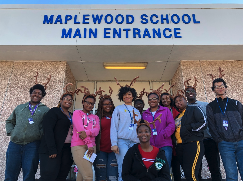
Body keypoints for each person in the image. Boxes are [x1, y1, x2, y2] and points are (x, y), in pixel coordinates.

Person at [5, 82, 50, 181]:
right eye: (34, 92)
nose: (36, 95)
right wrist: (12, 132)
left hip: (32, 145)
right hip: (14, 145)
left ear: (42, 96)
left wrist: (38, 134)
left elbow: (47, 127)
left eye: (39, 93)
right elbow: (9, 121)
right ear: (30, 94)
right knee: (10, 174)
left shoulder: (45, 110)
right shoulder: (20, 108)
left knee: (29, 175)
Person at [184, 78, 222, 181]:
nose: (190, 93)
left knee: (214, 167)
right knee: (196, 169)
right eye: (188, 92)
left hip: (209, 140)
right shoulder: (184, 108)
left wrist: (217, 139)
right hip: (194, 143)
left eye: (192, 91)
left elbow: (213, 122)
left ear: (195, 93)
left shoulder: (205, 105)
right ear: (185, 94)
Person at [207, 77, 243, 181]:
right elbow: (211, 125)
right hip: (225, 144)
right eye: (217, 87)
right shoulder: (211, 106)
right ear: (213, 90)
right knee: (231, 174)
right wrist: (219, 140)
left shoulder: (236, 103)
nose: (220, 88)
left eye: (222, 86)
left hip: (241, 141)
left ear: (226, 88)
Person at [39, 83, 76, 181]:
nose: (68, 101)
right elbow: (48, 130)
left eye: (70, 100)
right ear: (61, 100)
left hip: (67, 149)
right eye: (66, 99)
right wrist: (52, 149)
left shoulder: (72, 115)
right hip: (53, 149)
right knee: (49, 175)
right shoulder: (54, 111)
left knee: (62, 175)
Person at [110, 76, 141, 181]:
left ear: (133, 96)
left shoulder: (137, 111)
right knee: (123, 165)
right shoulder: (118, 109)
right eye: (124, 95)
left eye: (129, 94)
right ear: (121, 97)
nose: (127, 96)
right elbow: (114, 126)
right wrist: (114, 144)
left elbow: (139, 128)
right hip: (122, 141)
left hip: (135, 142)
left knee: (134, 165)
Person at [174, 94, 206, 181]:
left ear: (185, 100)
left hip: (193, 143)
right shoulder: (178, 117)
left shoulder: (193, 109)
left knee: (191, 173)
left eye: (180, 100)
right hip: (180, 146)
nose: (178, 103)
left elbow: (203, 123)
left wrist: (190, 127)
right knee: (187, 174)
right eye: (176, 102)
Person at [71, 86, 100, 181]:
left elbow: (96, 131)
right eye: (87, 102)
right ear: (83, 102)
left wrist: (86, 132)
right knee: (88, 176)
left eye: (92, 104)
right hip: (79, 146)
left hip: (92, 148)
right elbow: (80, 130)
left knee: (81, 174)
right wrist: (89, 144)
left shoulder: (95, 117)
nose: (90, 105)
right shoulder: (77, 113)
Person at [142, 91, 175, 170]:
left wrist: (163, 134)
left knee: (165, 169)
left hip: (165, 145)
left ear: (158, 100)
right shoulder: (145, 114)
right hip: (150, 147)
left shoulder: (165, 110)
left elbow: (171, 125)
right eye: (150, 99)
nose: (152, 101)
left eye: (154, 99)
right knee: (153, 170)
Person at [94, 87, 118, 181]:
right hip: (101, 151)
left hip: (114, 151)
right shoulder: (97, 117)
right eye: (105, 104)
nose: (108, 106)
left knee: (113, 176)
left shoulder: (116, 116)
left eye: (109, 104)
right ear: (101, 105)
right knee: (101, 176)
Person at [160, 92, 181, 181]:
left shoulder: (176, 110)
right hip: (164, 141)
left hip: (176, 141)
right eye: (163, 99)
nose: (165, 100)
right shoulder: (159, 111)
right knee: (164, 167)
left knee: (176, 167)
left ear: (171, 99)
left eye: (167, 98)